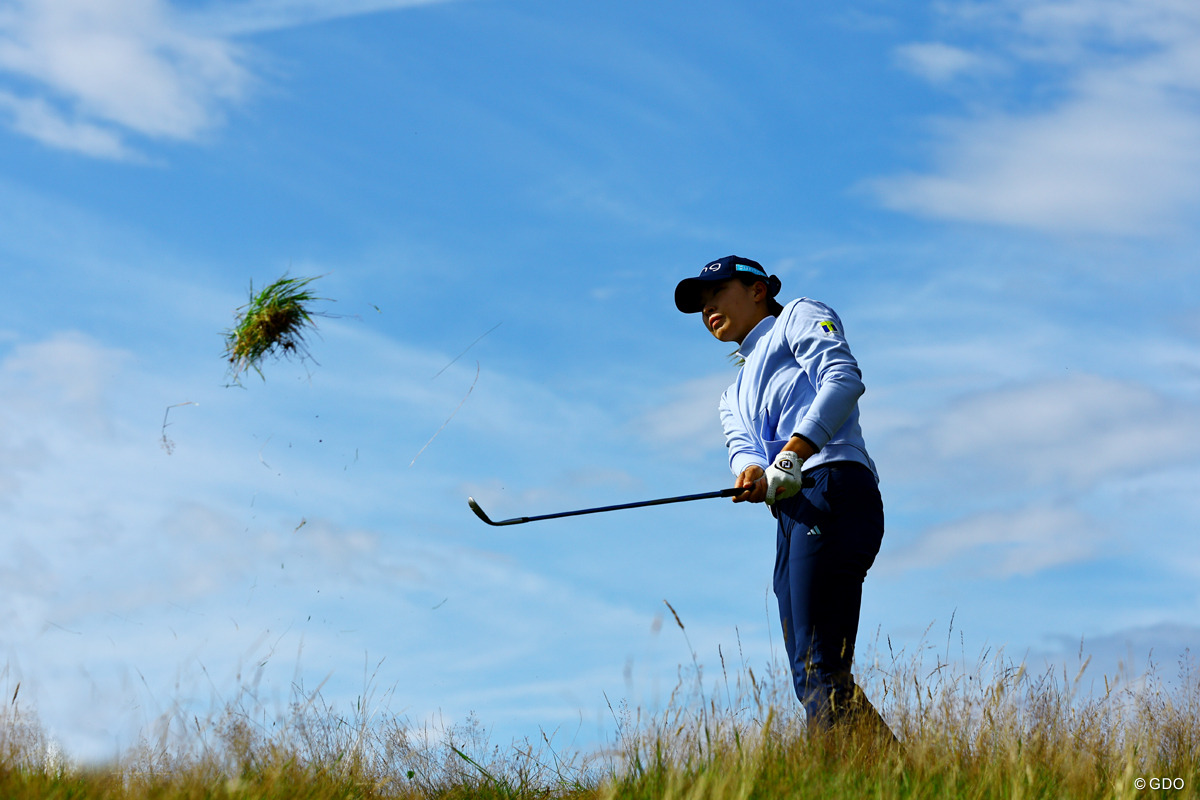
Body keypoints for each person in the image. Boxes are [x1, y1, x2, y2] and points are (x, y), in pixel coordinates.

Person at [674, 255, 894, 742]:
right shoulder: (731, 394)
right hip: (793, 510)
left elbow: (844, 380)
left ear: (758, 290)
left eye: (717, 294)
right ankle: (899, 781)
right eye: (701, 306)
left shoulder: (797, 314)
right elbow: (742, 450)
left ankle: (845, 782)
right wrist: (752, 473)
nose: (708, 309)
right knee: (809, 673)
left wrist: (792, 456)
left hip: (833, 484)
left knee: (819, 665)